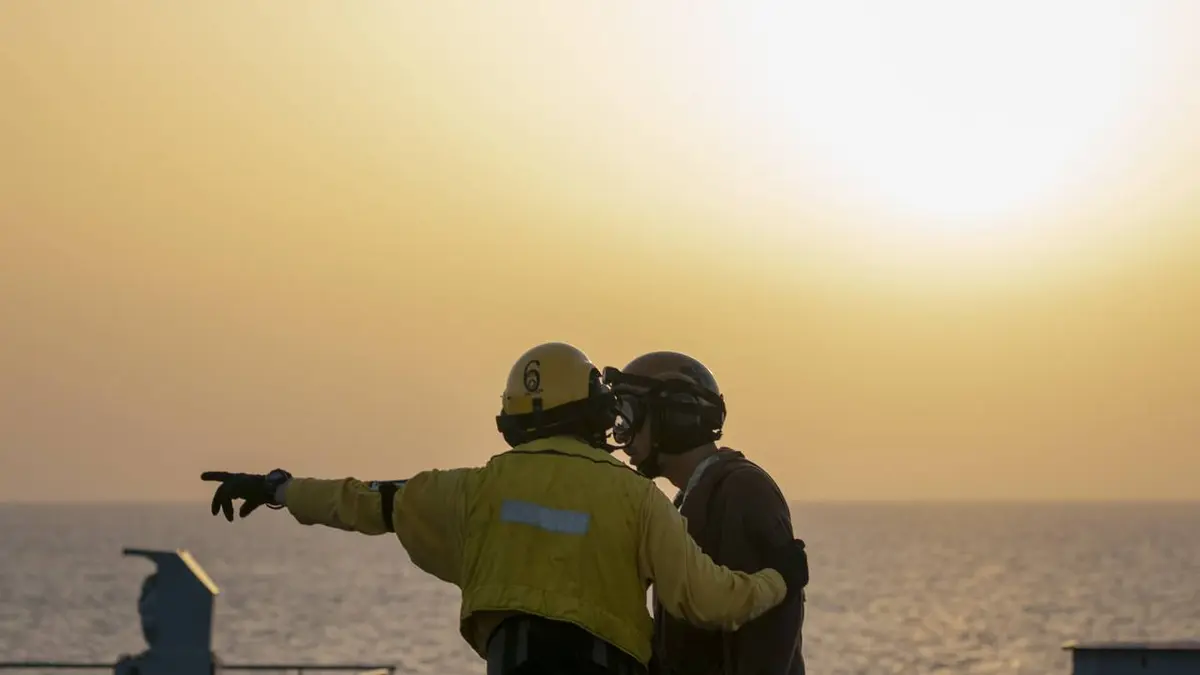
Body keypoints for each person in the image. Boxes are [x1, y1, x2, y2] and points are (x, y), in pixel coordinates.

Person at [201, 341, 809, 675]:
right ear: (594, 416)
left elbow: (366, 502)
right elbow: (707, 599)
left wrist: (279, 489)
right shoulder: (636, 500)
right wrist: (779, 580)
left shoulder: (474, 489)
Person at [605, 351, 806, 675]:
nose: (621, 435)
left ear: (676, 415)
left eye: (629, 414)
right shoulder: (688, 498)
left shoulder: (743, 490)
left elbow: (769, 630)